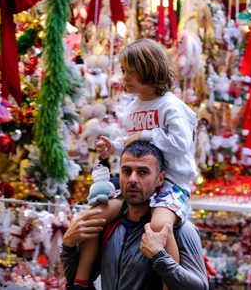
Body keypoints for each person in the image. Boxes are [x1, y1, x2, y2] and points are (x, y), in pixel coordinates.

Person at [75, 38, 197, 289]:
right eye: (124, 71)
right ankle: (81, 282)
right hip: (139, 182)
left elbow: (180, 143)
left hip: (171, 183)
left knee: (159, 225)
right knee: (94, 216)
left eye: (131, 72)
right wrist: (116, 146)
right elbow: (132, 142)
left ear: (150, 70)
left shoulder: (172, 107)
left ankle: (169, 284)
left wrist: (144, 135)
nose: (125, 77)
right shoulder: (133, 108)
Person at [61, 140, 208, 289]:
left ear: (160, 179)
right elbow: (78, 282)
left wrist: (160, 257)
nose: (132, 179)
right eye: (127, 171)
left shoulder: (180, 230)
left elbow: (201, 287)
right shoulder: (109, 225)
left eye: (143, 172)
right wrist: (68, 245)